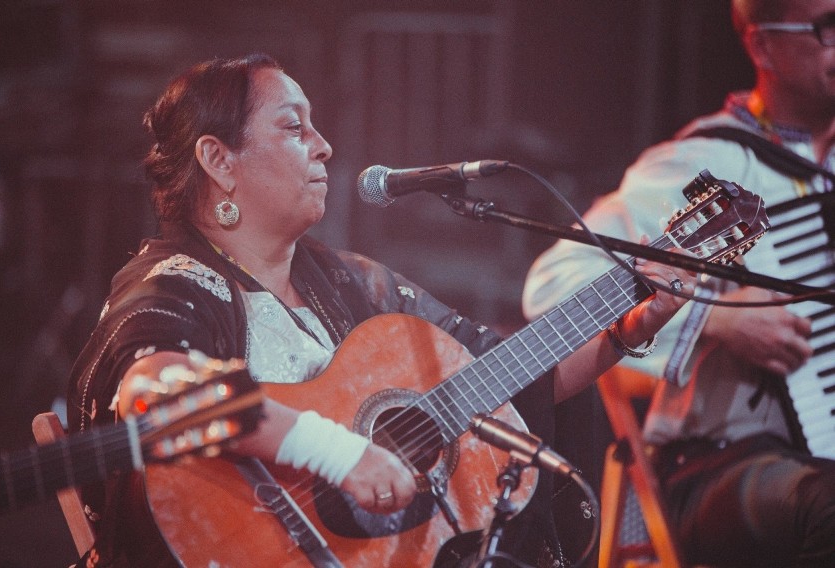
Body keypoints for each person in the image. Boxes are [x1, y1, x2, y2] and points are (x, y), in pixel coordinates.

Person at [65, 53, 693, 567]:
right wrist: (335, 453)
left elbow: (508, 376)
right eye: (293, 127)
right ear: (217, 160)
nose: (325, 145)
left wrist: (628, 323)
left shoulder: (352, 283)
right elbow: (158, 392)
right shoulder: (173, 284)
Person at [523, 1, 835, 567]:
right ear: (762, 45)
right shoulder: (706, 162)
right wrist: (716, 318)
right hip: (723, 463)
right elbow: (555, 280)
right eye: (830, 25)